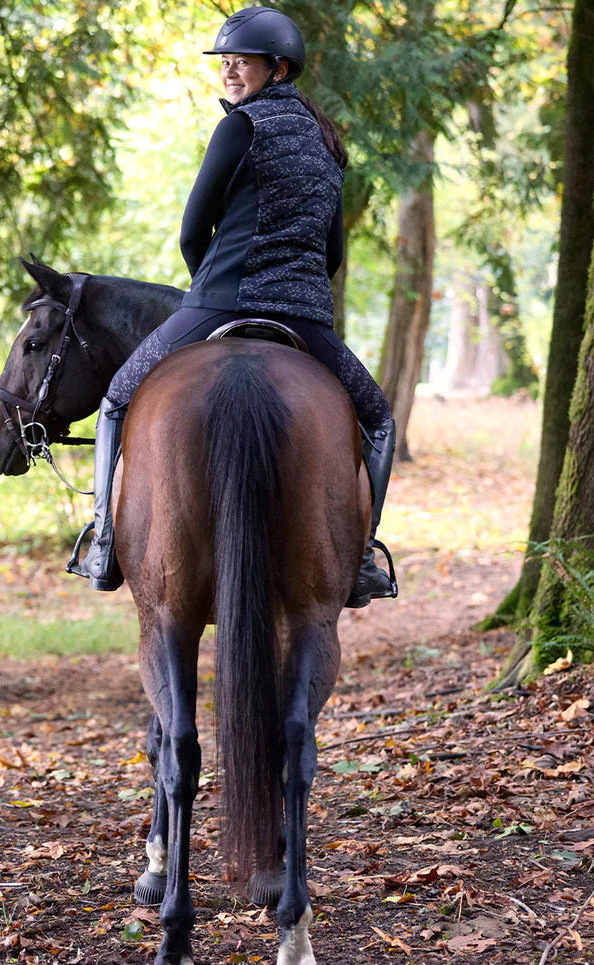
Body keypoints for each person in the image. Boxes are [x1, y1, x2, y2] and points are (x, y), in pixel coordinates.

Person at [68, 5, 396, 608]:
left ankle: (105, 541)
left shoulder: (238, 128)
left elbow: (194, 229)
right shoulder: (328, 142)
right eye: (225, 60)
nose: (229, 69)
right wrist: (296, 295)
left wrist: (210, 292)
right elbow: (333, 252)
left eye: (241, 60)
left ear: (279, 68)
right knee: (377, 420)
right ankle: (361, 561)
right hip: (305, 316)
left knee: (117, 397)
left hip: (220, 301)